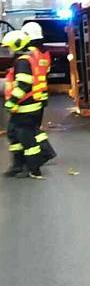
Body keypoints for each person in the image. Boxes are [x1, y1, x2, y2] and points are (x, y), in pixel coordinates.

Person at [2, 30, 49, 179]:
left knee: (26, 137)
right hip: (28, 105)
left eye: (9, 47)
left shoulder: (23, 61)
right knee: (14, 134)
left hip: (25, 107)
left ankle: (34, 168)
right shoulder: (27, 58)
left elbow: (24, 84)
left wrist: (12, 101)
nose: (8, 50)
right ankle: (18, 165)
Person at [20, 21, 56, 162]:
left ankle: (45, 151)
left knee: (30, 126)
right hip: (42, 93)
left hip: (31, 94)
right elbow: (46, 71)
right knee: (35, 126)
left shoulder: (30, 53)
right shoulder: (45, 52)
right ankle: (41, 151)